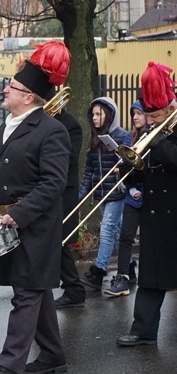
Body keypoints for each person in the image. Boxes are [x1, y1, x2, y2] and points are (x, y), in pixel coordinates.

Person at [0, 41, 71, 374]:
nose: (5, 89)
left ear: (28, 96)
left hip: (35, 226)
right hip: (9, 223)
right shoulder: (6, 125)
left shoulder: (51, 130)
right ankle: (54, 354)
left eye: (11, 86)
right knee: (33, 289)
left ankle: (10, 366)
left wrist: (21, 213)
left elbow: (53, 183)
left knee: (26, 292)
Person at [117, 62, 177, 347]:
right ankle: (143, 330)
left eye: (155, 115)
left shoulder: (165, 135)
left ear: (169, 110)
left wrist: (159, 141)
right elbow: (145, 171)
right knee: (150, 276)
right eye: (148, 115)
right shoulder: (152, 136)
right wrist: (130, 170)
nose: (151, 120)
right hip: (154, 215)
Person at [78, 97, 127, 290]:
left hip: (117, 192)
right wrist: (79, 198)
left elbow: (128, 164)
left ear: (110, 115)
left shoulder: (122, 136)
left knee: (106, 229)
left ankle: (99, 272)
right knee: (117, 232)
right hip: (102, 194)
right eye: (93, 114)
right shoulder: (94, 138)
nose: (95, 118)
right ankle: (128, 265)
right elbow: (89, 172)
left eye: (99, 114)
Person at [106, 100, 146, 297]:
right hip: (132, 196)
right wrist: (129, 187)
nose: (135, 117)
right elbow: (125, 171)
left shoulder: (153, 137)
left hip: (149, 196)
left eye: (139, 113)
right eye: (133, 113)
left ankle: (149, 274)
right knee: (126, 236)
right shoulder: (130, 138)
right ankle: (123, 276)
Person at [53, 103, 87, 308]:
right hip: (47, 186)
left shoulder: (70, 124)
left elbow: (71, 156)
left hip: (64, 189)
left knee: (61, 240)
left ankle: (74, 288)